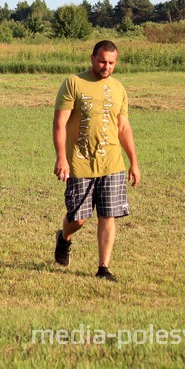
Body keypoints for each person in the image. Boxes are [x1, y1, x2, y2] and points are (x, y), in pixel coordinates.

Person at [52, 40, 141, 282]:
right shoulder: (74, 83)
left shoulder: (119, 88)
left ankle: (103, 267)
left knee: (108, 215)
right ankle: (64, 238)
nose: (106, 66)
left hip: (112, 163)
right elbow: (60, 123)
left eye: (111, 63)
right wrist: (61, 157)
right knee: (78, 218)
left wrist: (133, 161)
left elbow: (123, 127)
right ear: (92, 58)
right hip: (80, 162)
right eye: (102, 61)